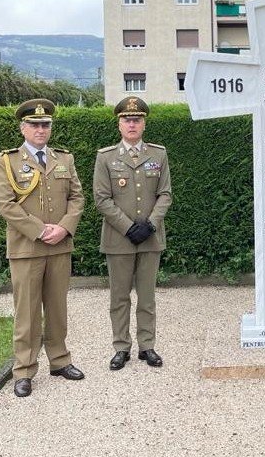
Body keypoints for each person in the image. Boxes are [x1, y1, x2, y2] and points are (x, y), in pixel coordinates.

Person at [0, 98, 85, 398]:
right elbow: (5, 204)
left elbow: (77, 197)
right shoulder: (6, 161)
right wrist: (40, 230)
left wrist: (65, 227)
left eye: (45, 125)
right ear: (23, 127)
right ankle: (24, 370)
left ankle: (59, 361)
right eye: (34, 125)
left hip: (59, 246)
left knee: (57, 308)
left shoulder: (64, 159)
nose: (40, 129)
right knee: (27, 312)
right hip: (26, 248)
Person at [94, 96, 172, 370]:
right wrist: (128, 227)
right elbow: (102, 199)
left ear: (144, 124)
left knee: (147, 297)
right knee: (119, 296)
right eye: (127, 120)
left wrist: (150, 224)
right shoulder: (106, 157)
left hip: (150, 238)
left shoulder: (158, 154)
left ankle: (147, 346)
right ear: (119, 125)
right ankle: (121, 347)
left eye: (136, 119)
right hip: (119, 239)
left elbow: (165, 194)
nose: (132, 124)